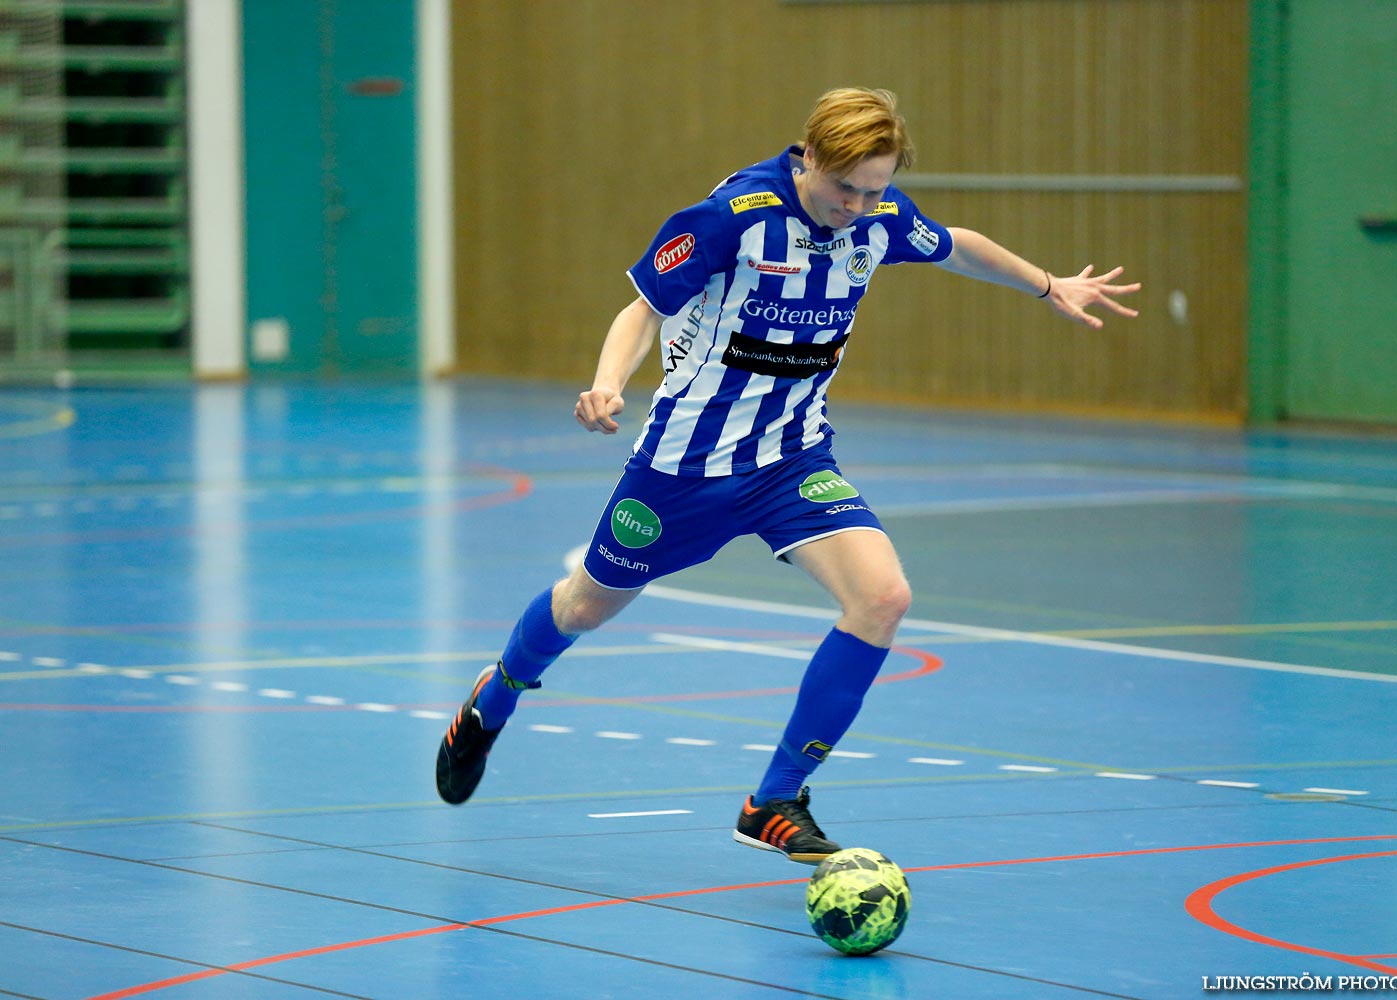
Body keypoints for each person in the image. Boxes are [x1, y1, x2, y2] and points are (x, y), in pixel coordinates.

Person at [437, 87, 1139, 865]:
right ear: (808, 159)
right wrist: (609, 383)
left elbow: (959, 243)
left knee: (883, 597)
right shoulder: (732, 218)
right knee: (584, 606)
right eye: (847, 188)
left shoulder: (880, 217)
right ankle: (493, 699)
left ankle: (773, 800)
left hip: (793, 461)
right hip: (683, 470)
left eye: (876, 189)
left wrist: (1049, 285)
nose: (860, 205)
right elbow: (641, 309)